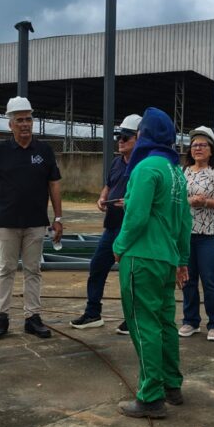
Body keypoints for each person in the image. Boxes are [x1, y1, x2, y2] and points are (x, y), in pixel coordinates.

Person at [112, 107, 192, 419]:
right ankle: (172, 385)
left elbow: (136, 216)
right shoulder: (176, 173)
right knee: (164, 323)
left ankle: (150, 396)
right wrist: (182, 259)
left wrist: (119, 245)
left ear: (145, 135)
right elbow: (185, 221)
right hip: (166, 259)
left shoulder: (146, 168)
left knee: (143, 324)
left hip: (142, 258)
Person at [0, 96, 62, 341]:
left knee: (33, 270)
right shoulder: (1, 151)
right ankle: (1, 317)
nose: (25, 124)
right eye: (20, 120)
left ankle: (32, 317)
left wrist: (58, 218)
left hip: (36, 223)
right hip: (7, 223)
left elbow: (54, 184)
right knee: (6, 269)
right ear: (10, 124)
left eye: (28, 119)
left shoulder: (44, 151)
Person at [69, 113, 142, 334]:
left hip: (131, 228)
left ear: (139, 138)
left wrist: (129, 203)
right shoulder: (117, 163)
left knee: (130, 275)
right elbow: (108, 186)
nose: (120, 141)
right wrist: (102, 198)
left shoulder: (143, 166)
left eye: (126, 137)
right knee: (97, 266)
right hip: (112, 226)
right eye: (119, 137)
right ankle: (93, 313)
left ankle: (133, 318)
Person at [180, 126, 214, 342]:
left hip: (208, 234)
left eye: (203, 145)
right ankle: (190, 320)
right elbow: (178, 200)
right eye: (194, 145)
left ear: (211, 150)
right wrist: (189, 200)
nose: (198, 148)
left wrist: (206, 202)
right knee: (187, 278)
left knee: (209, 278)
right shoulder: (184, 171)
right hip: (186, 233)